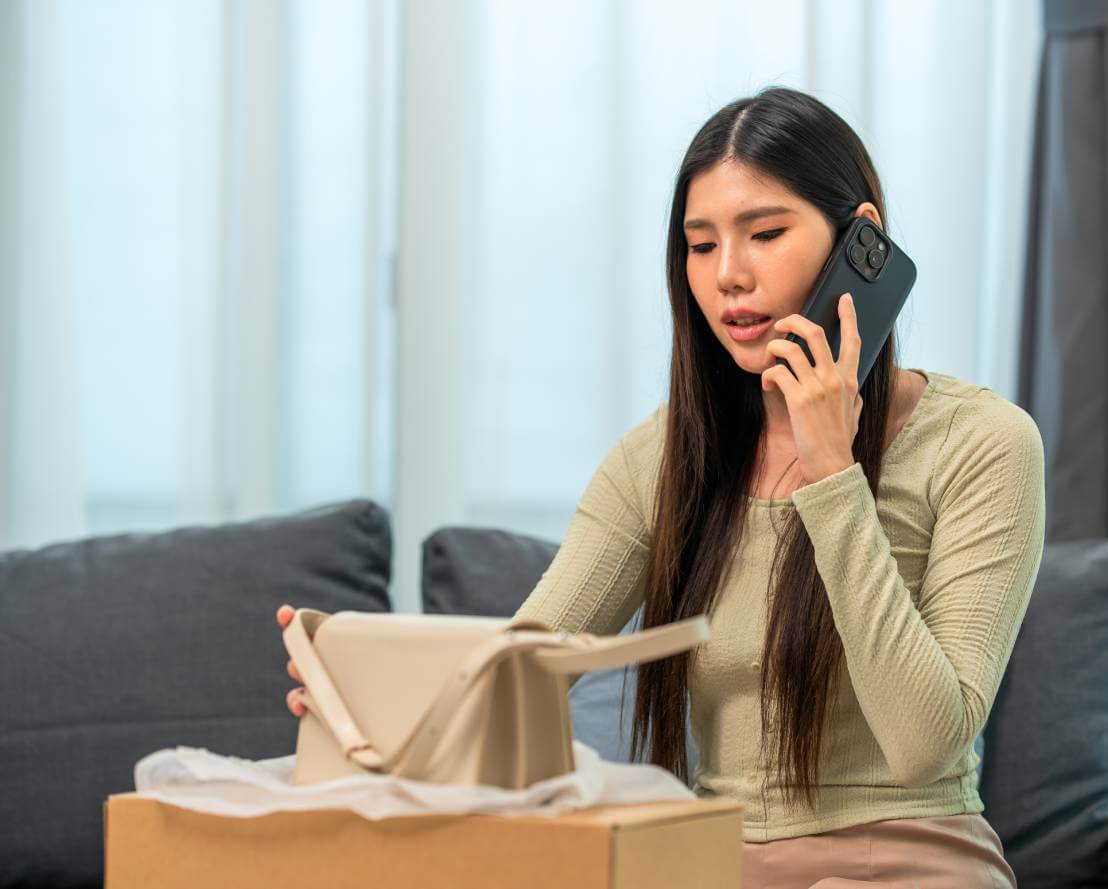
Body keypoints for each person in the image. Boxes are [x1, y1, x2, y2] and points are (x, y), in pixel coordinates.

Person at [281, 85, 1043, 889]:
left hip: (913, 862)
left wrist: (832, 473)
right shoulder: (663, 455)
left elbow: (925, 739)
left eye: (765, 233)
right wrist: (358, 689)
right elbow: (521, 665)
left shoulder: (982, 444)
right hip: (709, 863)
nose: (728, 277)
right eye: (700, 243)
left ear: (862, 241)